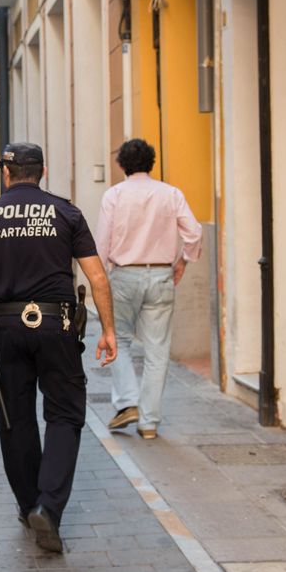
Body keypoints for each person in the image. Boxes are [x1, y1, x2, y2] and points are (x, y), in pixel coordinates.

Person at [0, 142, 117, 553]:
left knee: (16, 416)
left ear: (7, 173)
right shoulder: (66, 212)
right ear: (42, 171)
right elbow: (96, 277)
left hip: (7, 325)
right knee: (64, 413)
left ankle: (29, 505)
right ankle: (49, 506)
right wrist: (108, 331)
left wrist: (3, 287)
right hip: (56, 324)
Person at [96, 138, 202, 440]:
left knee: (118, 340)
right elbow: (194, 233)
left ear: (121, 165)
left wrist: (97, 280)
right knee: (157, 350)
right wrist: (183, 260)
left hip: (124, 276)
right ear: (151, 163)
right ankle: (149, 423)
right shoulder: (171, 194)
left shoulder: (114, 195)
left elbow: (102, 244)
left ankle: (128, 403)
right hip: (161, 276)